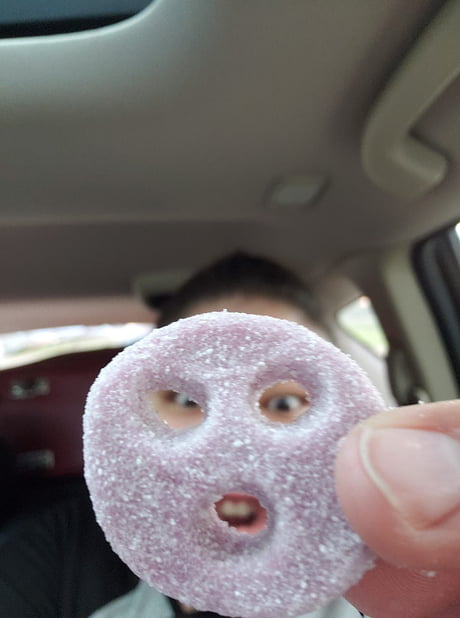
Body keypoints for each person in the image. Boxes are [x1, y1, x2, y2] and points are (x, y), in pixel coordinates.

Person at [0, 252, 459, 618]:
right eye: (186, 401)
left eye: (284, 404)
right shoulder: (46, 557)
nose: (235, 446)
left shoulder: (393, 571)